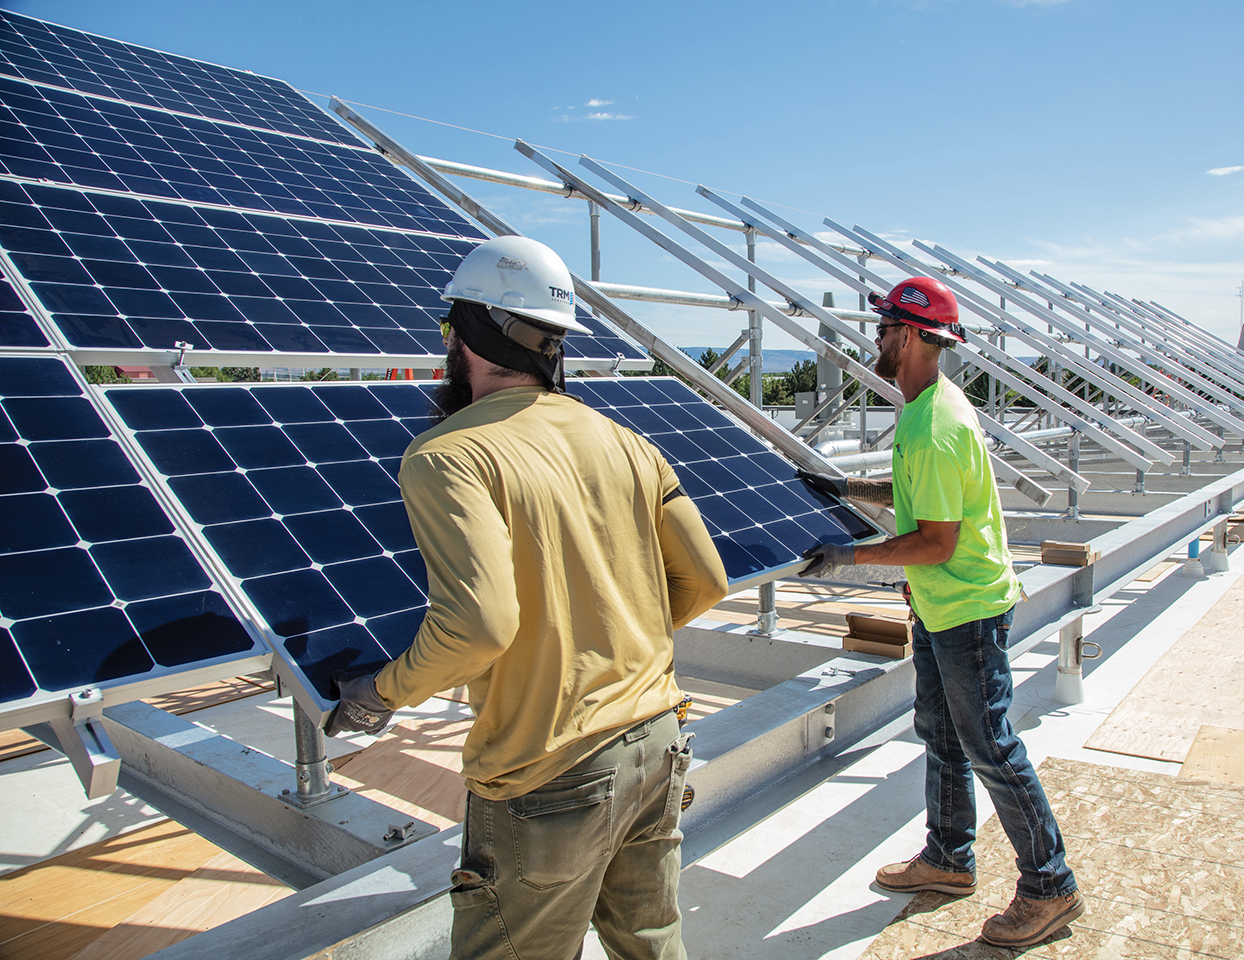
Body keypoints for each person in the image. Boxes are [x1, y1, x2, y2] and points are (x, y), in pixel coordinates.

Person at [325, 235, 729, 960]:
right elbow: (705, 581)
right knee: (651, 943)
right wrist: (603, 640)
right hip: (657, 741)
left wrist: (379, 695)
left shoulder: (448, 454)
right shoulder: (627, 441)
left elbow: (478, 626)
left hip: (551, 772)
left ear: (469, 335)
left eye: (449, 331)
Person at [798, 277, 1082, 949]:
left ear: (916, 337)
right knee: (944, 733)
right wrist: (844, 488)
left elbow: (935, 541)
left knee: (991, 746)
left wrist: (848, 558)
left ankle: (1050, 885)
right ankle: (949, 858)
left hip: (967, 611)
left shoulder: (933, 426)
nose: (877, 337)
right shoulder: (930, 406)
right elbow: (919, 498)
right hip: (941, 604)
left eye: (886, 327)